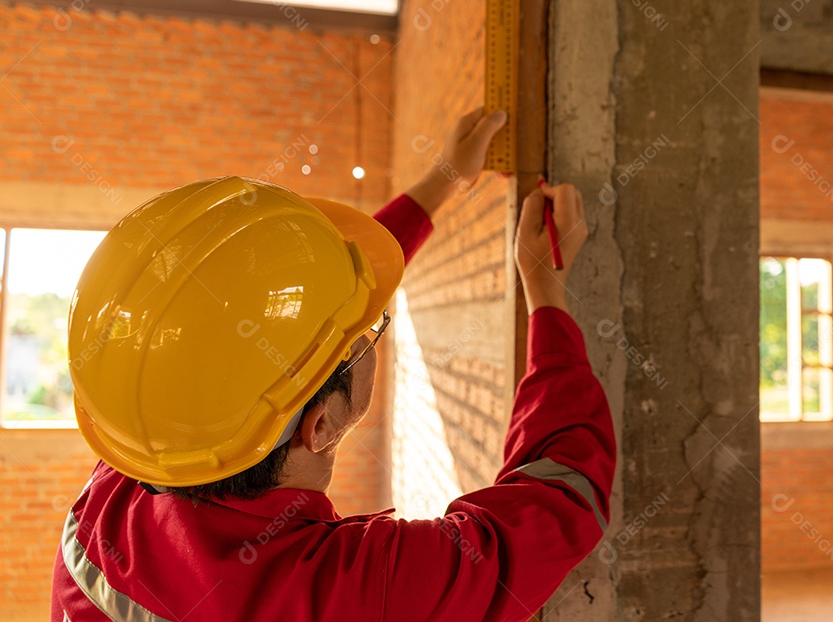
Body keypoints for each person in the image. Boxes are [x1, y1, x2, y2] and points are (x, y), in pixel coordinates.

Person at [50, 110, 616, 622]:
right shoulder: (353, 595)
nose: (371, 331)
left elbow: (277, 303)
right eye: (367, 336)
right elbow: (565, 492)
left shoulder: (143, 451)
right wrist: (545, 287)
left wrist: (443, 179)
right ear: (319, 425)